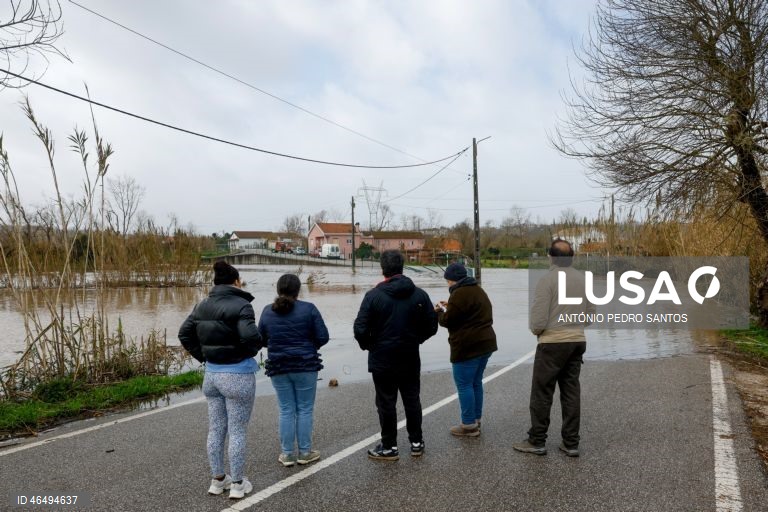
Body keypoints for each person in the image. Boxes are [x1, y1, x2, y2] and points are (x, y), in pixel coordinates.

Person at [178, 260, 262, 499]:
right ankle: (237, 484)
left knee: (215, 429)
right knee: (237, 431)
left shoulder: (202, 305)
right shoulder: (242, 305)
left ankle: (217, 480)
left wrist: (203, 356)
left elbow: (184, 333)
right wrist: (251, 350)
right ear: (236, 281)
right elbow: (250, 336)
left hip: (212, 376)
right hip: (237, 375)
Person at [354, 249, 438, 461]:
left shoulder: (373, 296)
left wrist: (370, 345)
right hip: (409, 356)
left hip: (382, 359)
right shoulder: (419, 294)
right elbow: (431, 325)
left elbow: (360, 329)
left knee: (386, 403)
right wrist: (416, 339)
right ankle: (416, 442)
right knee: (412, 399)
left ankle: (390, 446)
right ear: (402, 267)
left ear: (383, 269)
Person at [513, 239, 595, 457]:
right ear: (572, 258)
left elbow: (538, 320)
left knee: (542, 392)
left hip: (552, 343)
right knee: (571, 392)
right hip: (577, 341)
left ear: (550, 256)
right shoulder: (583, 279)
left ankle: (537, 440)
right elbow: (591, 314)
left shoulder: (547, 280)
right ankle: (571, 443)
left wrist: (538, 331)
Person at [258, 274, 329, 468]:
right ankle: (305, 452)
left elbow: (261, 340)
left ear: (278, 289)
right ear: (298, 290)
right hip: (305, 365)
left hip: (278, 366)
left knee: (286, 409)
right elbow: (323, 337)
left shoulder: (267, 311)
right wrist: (308, 346)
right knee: (305, 409)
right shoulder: (309, 309)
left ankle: (287, 454)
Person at [435, 262, 497, 437]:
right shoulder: (478, 290)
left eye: (447, 281)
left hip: (467, 346)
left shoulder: (459, 294)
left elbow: (448, 321)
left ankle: (468, 425)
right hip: (486, 343)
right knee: (475, 382)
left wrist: (439, 311)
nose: (447, 284)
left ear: (452, 280)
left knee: (464, 385)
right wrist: (450, 305)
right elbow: (470, 311)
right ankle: (476, 419)